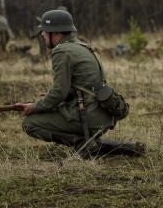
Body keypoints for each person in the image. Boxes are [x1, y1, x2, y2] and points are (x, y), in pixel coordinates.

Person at [16, 9, 144, 157]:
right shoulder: (83, 46)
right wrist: (46, 100)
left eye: (45, 32)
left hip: (88, 117)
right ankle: (98, 145)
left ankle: (82, 144)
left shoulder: (61, 52)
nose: (43, 36)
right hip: (104, 115)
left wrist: (34, 107)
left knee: (29, 124)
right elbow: (82, 86)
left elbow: (59, 93)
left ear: (55, 33)